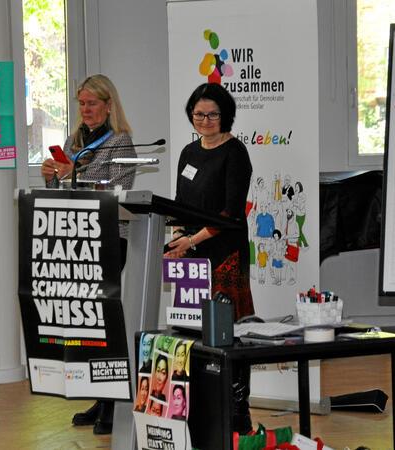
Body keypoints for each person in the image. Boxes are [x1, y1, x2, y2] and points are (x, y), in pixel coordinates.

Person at [41, 74, 136, 435]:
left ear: (109, 105)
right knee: (88, 323)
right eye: (81, 103)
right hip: (77, 239)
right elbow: (61, 193)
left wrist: (75, 174)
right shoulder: (74, 141)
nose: (86, 110)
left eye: (92, 103)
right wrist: (51, 176)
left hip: (109, 237)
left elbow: (120, 189)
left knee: (106, 319)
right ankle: (100, 397)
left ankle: (113, 403)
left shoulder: (121, 141)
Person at [164, 83, 255, 434]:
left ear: (225, 115)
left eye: (212, 114)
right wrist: (177, 238)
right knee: (193, 333)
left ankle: (237, 412)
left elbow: (231, 213)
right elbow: (179, 203)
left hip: (224, 256)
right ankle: (201, 411)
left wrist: (191, 240)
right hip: (190, 258)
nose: (204, 120)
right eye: (198, 114)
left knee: (229, 335)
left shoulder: (235, 152)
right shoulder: (188, 152)